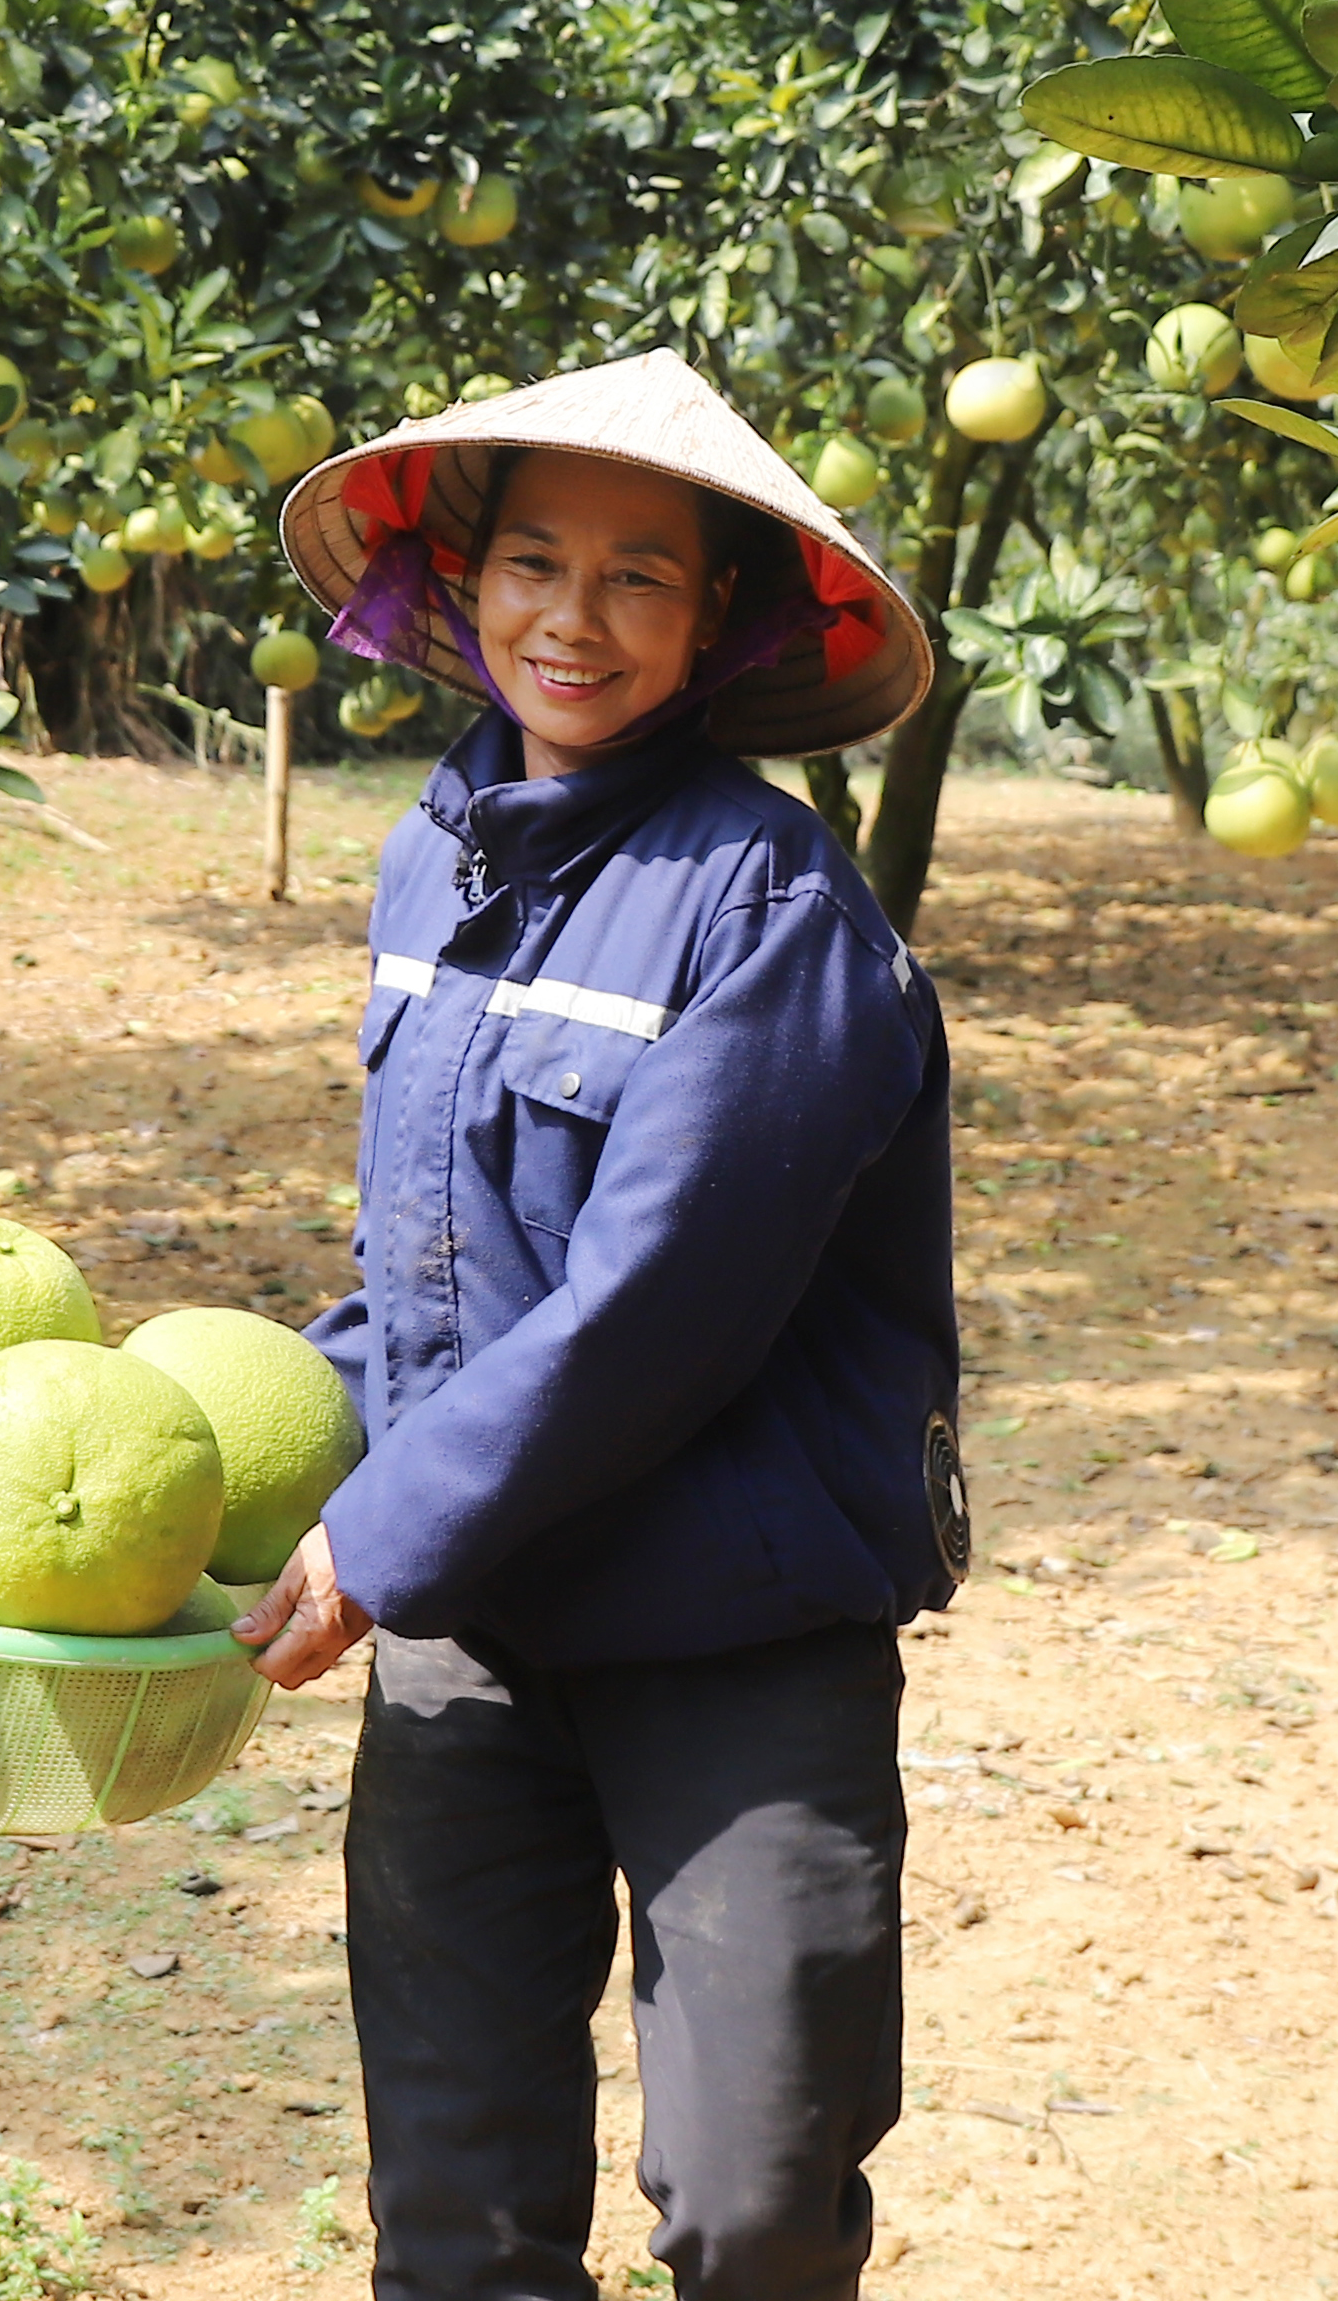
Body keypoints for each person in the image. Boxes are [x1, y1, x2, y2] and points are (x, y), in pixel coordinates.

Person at [242, 348, 966, 2301]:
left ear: (719, 615)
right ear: (462, 581)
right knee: (456, 2209)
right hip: (478, 1635)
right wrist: (247, 1420)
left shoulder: (775, 907)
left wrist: (377, 1532)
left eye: (641, 573)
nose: (576, 616)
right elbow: (442, 1258)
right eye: (534, 560)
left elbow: (656, 1303)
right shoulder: (430, 852)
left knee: (755, 2198)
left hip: (736, 1635)